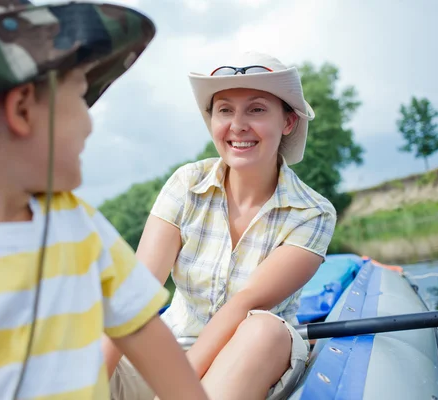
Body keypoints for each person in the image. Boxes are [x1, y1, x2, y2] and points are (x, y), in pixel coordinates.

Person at [0, 1, 209, 399]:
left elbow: (140, 326)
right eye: (80, 98)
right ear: (22, 108)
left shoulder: (78, 224)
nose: (90, 121)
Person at [105, 52, 338, 400]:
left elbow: (243, 304)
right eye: (225, 110)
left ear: (288, 122)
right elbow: (137, 292)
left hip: (250, 356)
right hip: (166, 352)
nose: (238, 125)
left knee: (263, 329)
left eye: (256, 109)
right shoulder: (187, 183)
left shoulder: (313, 213)